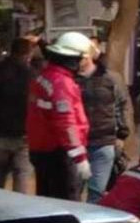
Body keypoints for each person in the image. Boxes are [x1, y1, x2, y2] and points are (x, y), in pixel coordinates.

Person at [26, 32, 92, 200]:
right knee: (66, 203)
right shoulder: (62, 84)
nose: (86, 62)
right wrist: (80, 157)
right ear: (73, 59)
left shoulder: (44, 77)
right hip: (59, 154)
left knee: (46, 200)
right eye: (83, 58)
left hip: (42, 150)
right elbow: (66, 123)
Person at [76, 40, 131, 203]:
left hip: (103, 142)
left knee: (97, 192)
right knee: (74, 190)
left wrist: (122, 135)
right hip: (78, 144)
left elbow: (122, 105)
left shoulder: (110, 78)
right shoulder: (71, 79)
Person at [0, 37, 35, 193]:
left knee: (0, 171)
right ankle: (19, 210)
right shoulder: (31, 75)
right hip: (23, 134)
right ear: (28, 54)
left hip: (0, 131)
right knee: (22, 174)